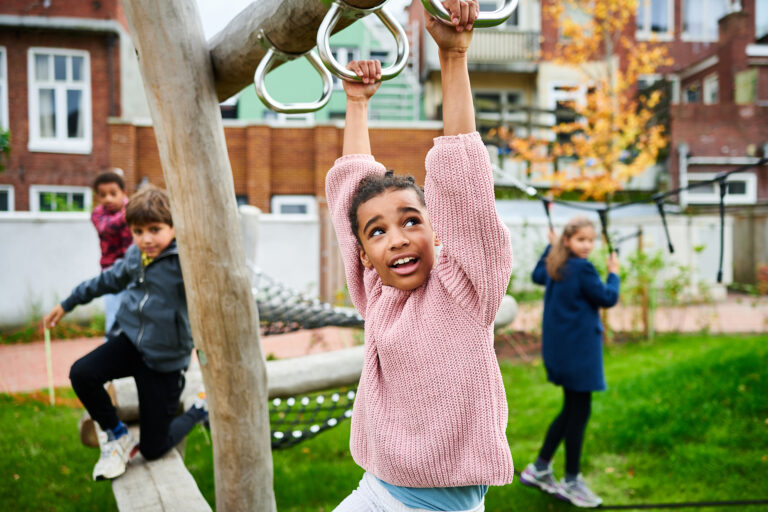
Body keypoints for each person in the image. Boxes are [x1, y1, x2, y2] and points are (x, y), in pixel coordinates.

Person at [327, 2, 514, 510]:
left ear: (439, 231)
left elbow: (463, 183)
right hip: (375, 490)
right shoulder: (379, 295)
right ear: (364, 256)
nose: (399, 238)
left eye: (412, 220)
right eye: (379, 232)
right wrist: (357, 103)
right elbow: (350, 194)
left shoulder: (466, 292)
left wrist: (453, 56)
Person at [43, 185, 207, 481]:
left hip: (164, 362)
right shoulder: (136, 256)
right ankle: (117, 435)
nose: (145, 239)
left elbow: (217, 287)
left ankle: (199, 410)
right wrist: (67, 303)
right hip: (131, 343)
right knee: (82, 373)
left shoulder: (186, 262)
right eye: (138, 231)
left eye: (154, 229)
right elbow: (107, 280)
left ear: (174, 227)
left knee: (153, 449)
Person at [519, 217, 620, 508]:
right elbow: (607, 297)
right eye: (581, 240)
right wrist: (614, 274)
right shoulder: (582, 268)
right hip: (579, 354)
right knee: (579, 413)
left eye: (590, 240)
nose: (587, 246)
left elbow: (538, 274)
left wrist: (548, 249)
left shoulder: (555, 264)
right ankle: (572, 481)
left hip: (560, 352)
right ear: (567, 240)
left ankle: (539, 468)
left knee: (570, 410)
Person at [91, 170, 133, 337]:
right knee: (114, 315)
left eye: (113, 193)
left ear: (123, 193)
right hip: (111, 272)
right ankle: (110, 349)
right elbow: (107, 227)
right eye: (102, 195)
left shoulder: (132, 210)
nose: (108, 198)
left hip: (133, 270)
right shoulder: (98, 215)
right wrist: (129, 211)